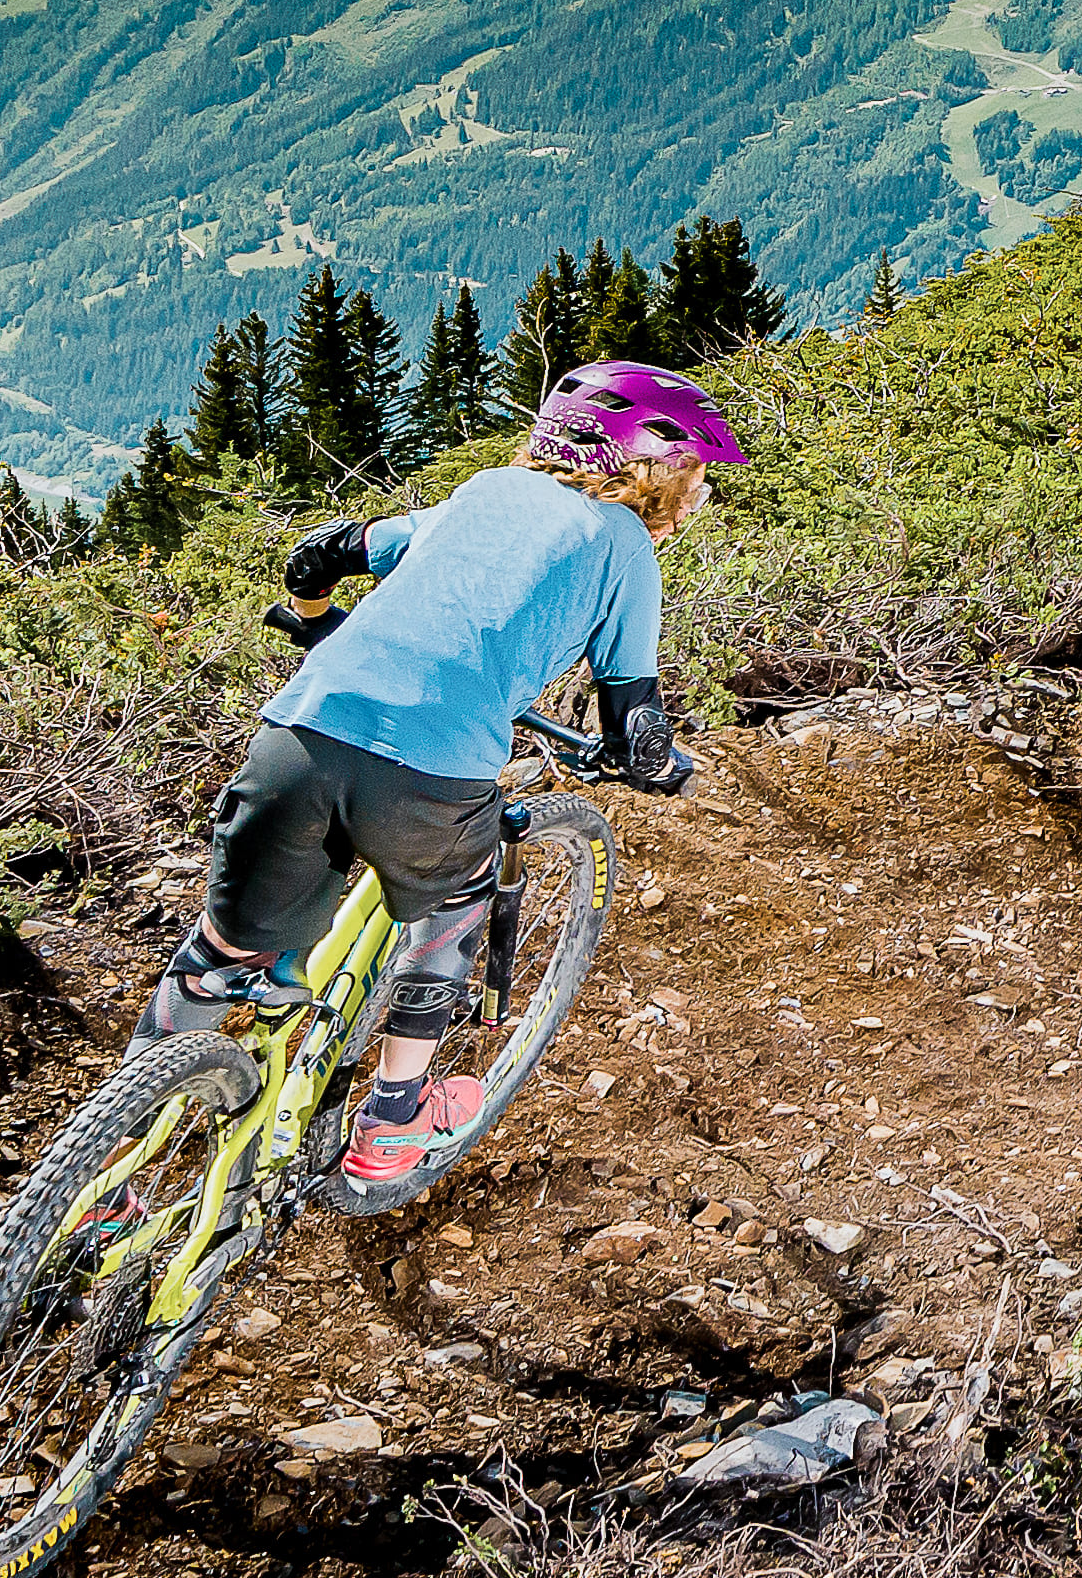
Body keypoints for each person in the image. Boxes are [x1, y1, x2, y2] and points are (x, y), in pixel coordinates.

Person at [164, 355, 735, 1201]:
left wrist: (320, 625)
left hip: (297, 736)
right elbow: (636, 722)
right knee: (456, 900)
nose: (697, 492)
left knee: (221, 951)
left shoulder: (483, 491)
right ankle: (393, 1121)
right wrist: (657, 768)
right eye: (693, 469)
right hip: (430, 776)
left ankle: (108, 1173)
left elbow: (320, 555)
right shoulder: (624, 547)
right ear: (648, 465)